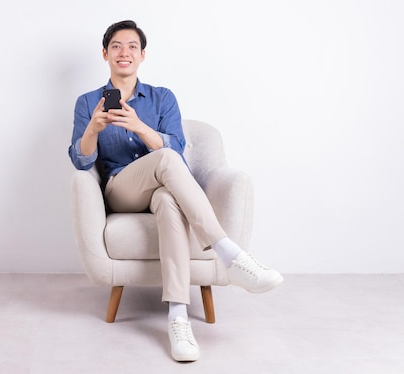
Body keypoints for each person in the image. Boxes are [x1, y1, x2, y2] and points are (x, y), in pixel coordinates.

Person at [68, 20, 283, 362]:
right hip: (121, 190)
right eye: (117, 46)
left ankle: (178, 317)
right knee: (165, 159)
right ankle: (230, 254)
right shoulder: (88, 102)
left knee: (169, 199)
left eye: (132, 47)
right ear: (106, 53)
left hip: (160, 188)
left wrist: (138, 125)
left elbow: (178, 150)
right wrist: (93, 127)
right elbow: (81, 162)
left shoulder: (161, 97)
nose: (125, 52)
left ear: (142, 55)